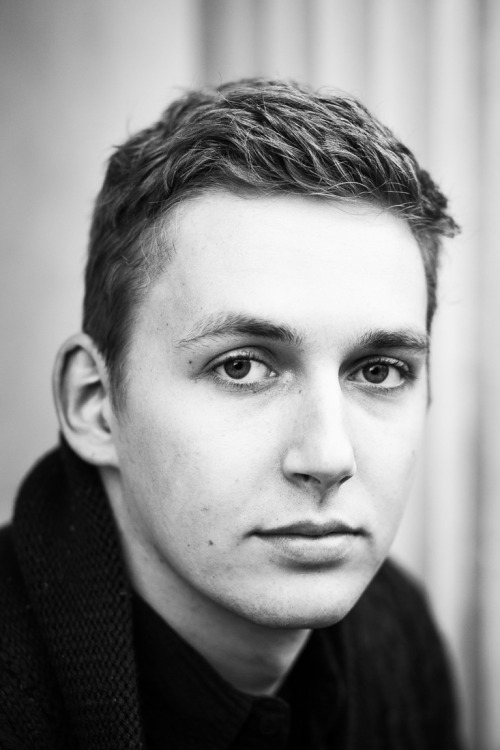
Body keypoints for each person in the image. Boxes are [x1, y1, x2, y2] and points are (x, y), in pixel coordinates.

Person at [0, 78, 464, 750]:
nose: (329, 457)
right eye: (242, 366)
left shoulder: (396, 631)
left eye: (378, 370)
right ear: (95, 404)